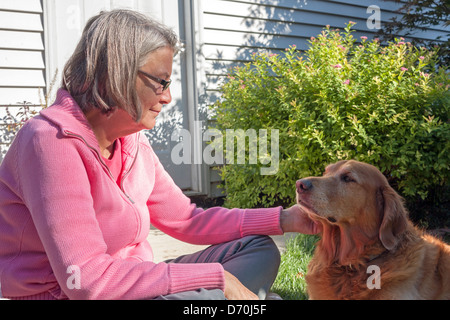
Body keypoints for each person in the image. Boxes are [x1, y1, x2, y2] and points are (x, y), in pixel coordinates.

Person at [0, 9, 319, 300]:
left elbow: (187, 220)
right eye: (160, 82)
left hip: (132, 286)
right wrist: (218, 279)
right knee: (212, 292)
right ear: (116, 73)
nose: (167, 97)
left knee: (256, 248)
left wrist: (284, 219)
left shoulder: (131, 140)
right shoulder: (51, 141)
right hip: (71, 295)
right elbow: (88, 282)